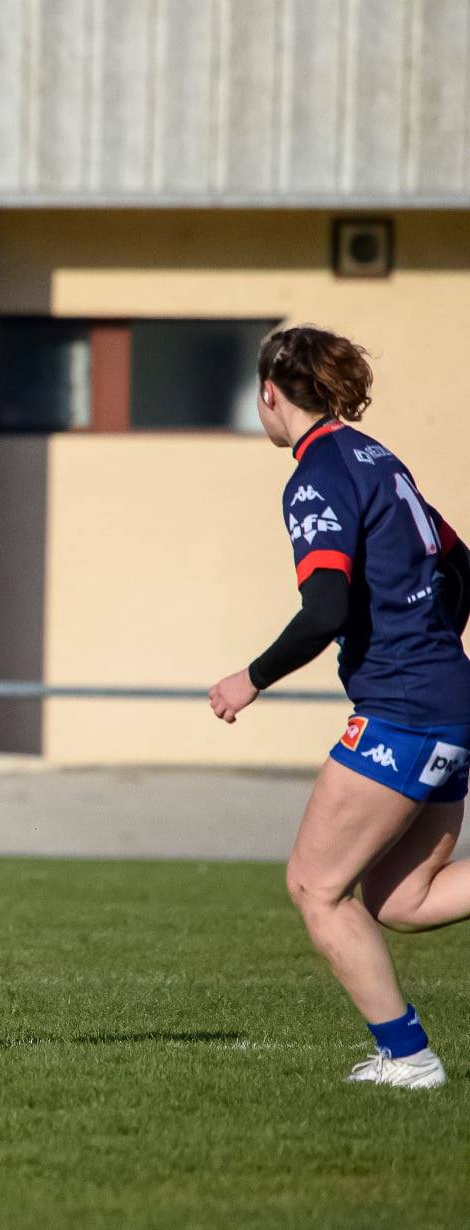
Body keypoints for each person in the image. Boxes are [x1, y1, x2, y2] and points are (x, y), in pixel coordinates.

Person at [208, 325, 470, 1089]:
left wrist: (249, 680)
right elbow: (460, 566)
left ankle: (410, 1060)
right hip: (448, 702)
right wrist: (436, 648)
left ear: (269, 394)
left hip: (403, 709)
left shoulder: (318, 473)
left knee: (314, 887)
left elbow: (324, 609)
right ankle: (408, 1057)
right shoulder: (378, 457)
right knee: (403, 899)